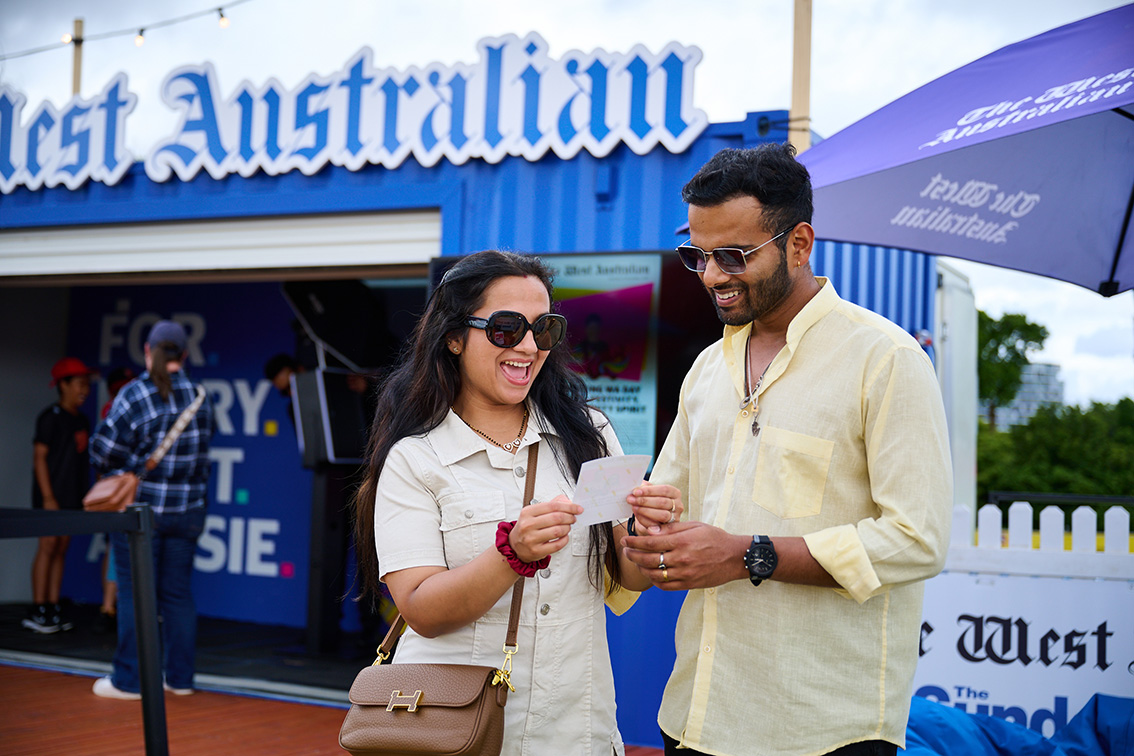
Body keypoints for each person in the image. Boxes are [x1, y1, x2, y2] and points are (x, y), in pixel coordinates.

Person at [621, 145, 953, 756]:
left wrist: (751, 554)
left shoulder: (886, 359)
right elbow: (670, 507)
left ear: (798, 244)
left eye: (733, 255)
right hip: (695, 714)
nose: (712, 275)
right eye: (697, 255)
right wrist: (644, 531)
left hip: (821, 727)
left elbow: (918, 538)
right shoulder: (707, 368)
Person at [352, 250, 682, 755]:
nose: (528, 346)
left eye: (544, 329)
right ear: (454, 337)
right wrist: (512, 554)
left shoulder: (590, 435)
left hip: (577, 731)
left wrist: (647, 535)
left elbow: (625, 577)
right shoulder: (414, 458)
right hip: (460, 733)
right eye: (506, 328)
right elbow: (421, 610)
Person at [90, 320, 214, 700]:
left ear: (147, 350)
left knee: (134, 594)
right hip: (189, 510)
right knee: (177, 596)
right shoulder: (199, 395)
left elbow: (102, 450)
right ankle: (179, 680)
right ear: (185, 354)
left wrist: (130, 463)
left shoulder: (135, 393)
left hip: (142, 512)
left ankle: (129, 680)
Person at [23, 357, 98, 634]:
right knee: (47, 547)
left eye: (87, 385)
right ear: (63, 385)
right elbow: (39, 458)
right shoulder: (49, 417)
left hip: (72, 495)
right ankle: (38, 607)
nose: (84, 390)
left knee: (62, 549)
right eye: (79, 383)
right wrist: (47, 496)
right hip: (50, 496)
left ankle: (53, 605)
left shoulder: (82, 419)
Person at [95, 366, 136, 635]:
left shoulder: (128, 406)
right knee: (117, 546)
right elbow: (104, 453)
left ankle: (114, 606)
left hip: (129, 485)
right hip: (118, 486)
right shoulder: (116, 409)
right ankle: (110, 606)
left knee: (124, 546)